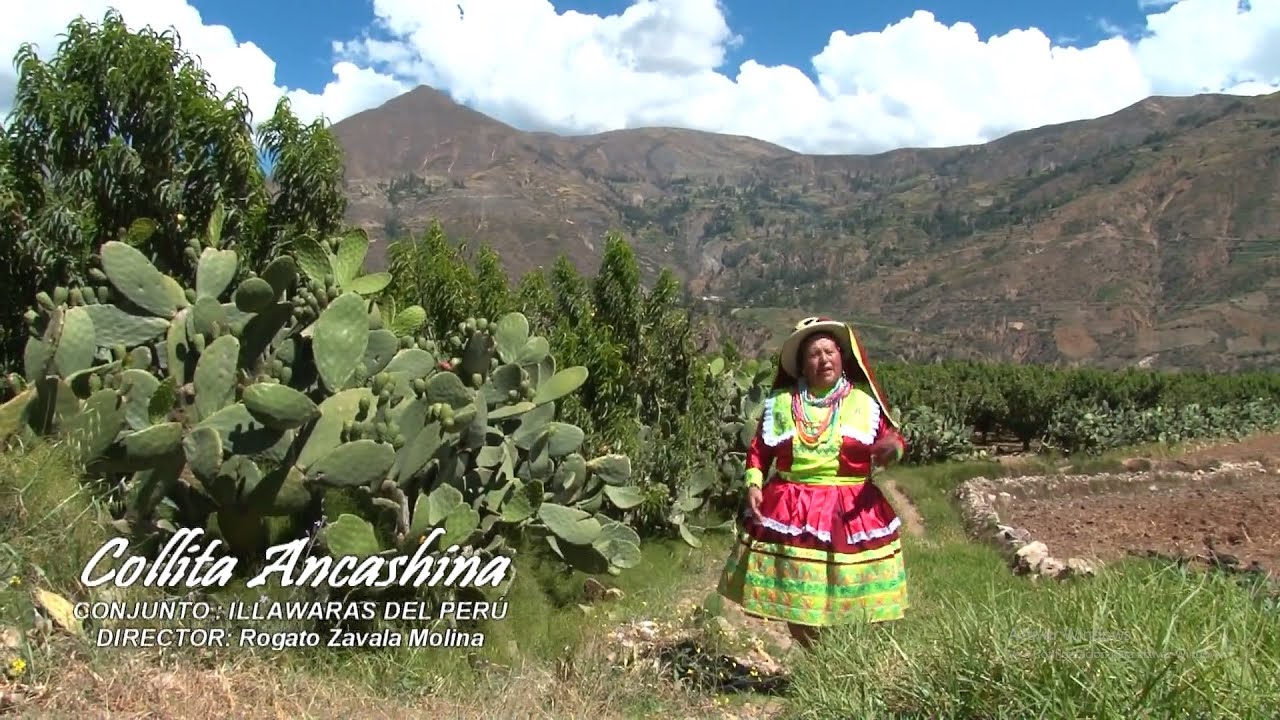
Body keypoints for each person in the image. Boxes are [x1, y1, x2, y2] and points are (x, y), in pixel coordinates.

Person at [716, 316, 910, 650]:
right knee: (798, 595)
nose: (823, 360)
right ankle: (820, 656)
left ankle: (853, 658)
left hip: (852, 510)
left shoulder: (864, 404)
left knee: (856, 592)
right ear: (802, 365)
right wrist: (754, 483)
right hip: (794, 509)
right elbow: (759, 450)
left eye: (829, 352)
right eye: (814, 354)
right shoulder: (781, 404)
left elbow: (891, 439)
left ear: (842, 357)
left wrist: (892, 449)